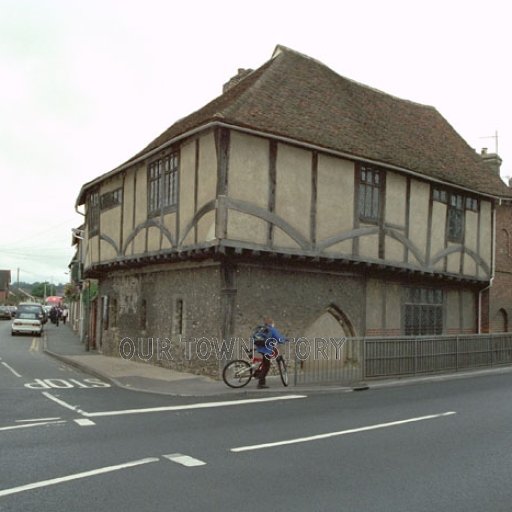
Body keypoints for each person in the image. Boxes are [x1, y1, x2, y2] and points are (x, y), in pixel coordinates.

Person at [252, 317, 286, 389]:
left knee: (264, 363)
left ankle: (258, 374)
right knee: (267, 366)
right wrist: (285, 340)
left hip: (260, 348)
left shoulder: (261, 329)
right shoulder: (272, 329)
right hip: (266, 350)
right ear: (272, 323)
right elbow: (279, 339)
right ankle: (261, 383)